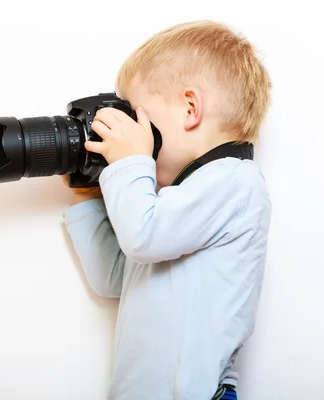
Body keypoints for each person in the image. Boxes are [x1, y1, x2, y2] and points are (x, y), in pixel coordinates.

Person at [62, 20, 272, 400]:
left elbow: (143, 237)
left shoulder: (234, 182)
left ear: (190, 108)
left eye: (138, 117)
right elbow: (114, 276)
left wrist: (129, 162)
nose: (131, 131)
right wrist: (87, 196)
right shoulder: (172, 203)